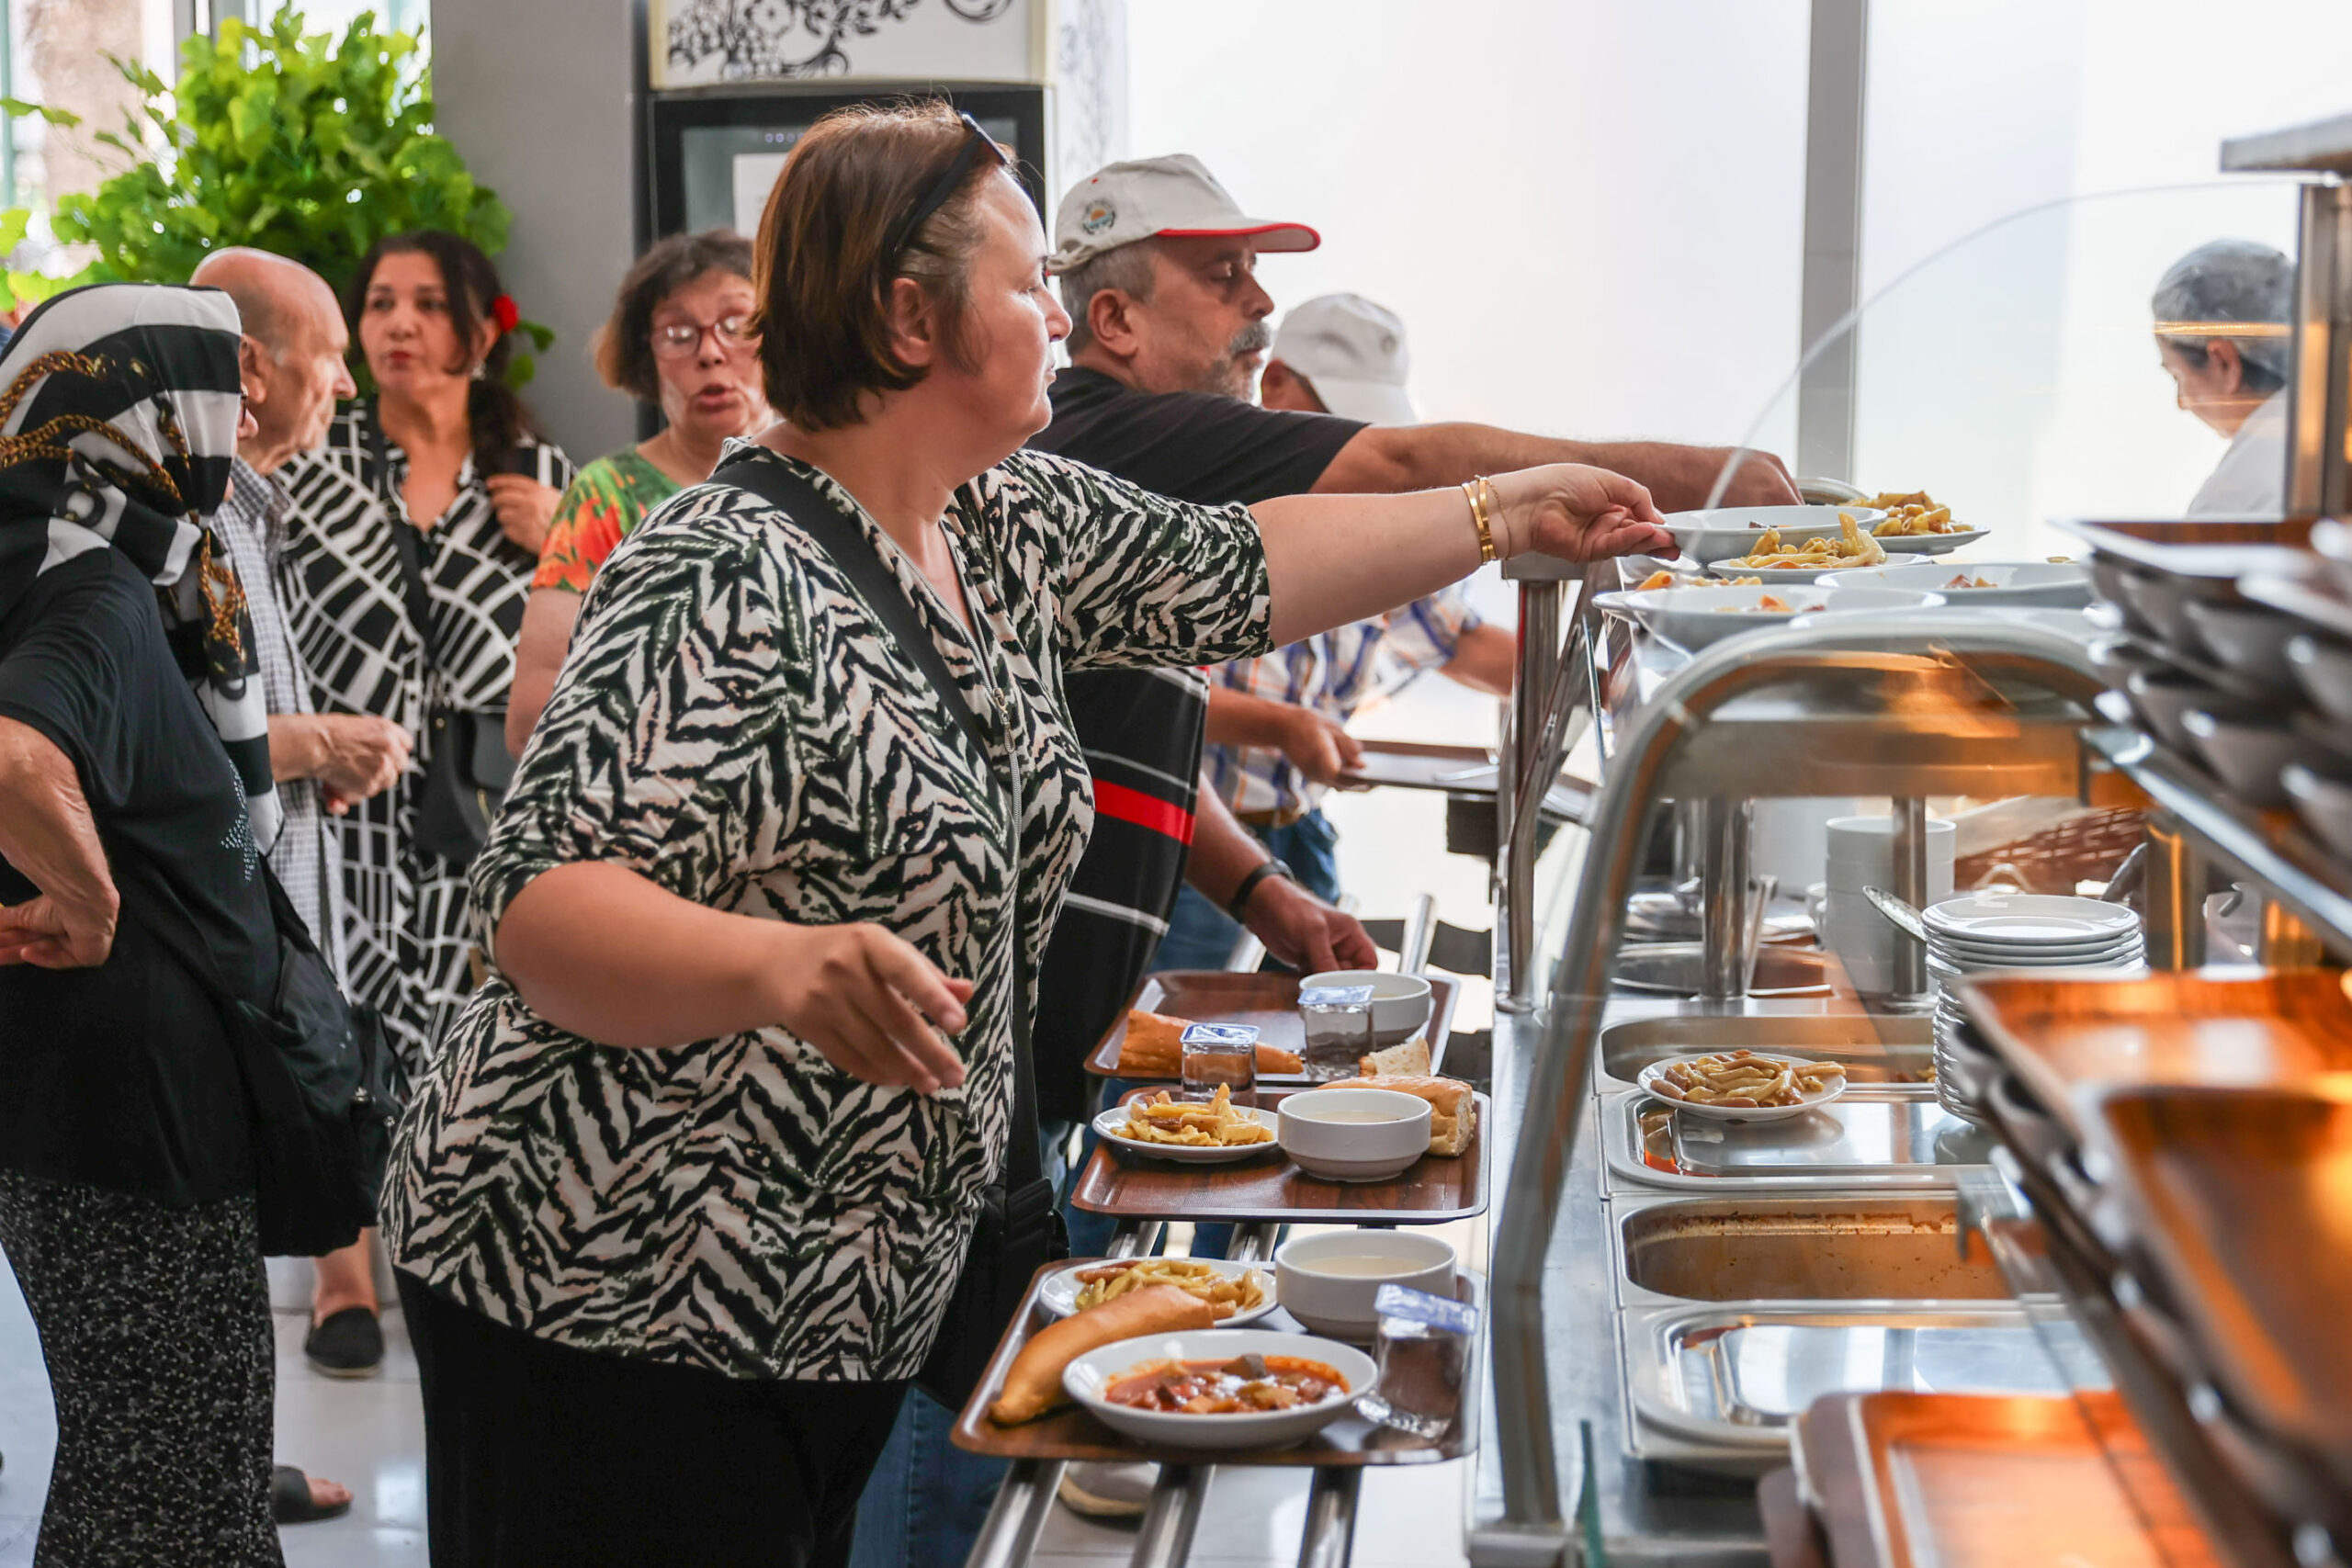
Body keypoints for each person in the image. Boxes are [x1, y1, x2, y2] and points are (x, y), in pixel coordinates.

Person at [379, 98, 1669, 1567]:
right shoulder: (713, 566)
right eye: (1028, 280)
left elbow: (1245, 563)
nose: (1061, 311)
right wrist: (781, 970)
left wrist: (1503, 511)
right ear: (910, 316)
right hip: (617, 1282)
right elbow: (540, 908)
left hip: (830, 1283)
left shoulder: (997, 515)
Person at [1016, 152, 1802, 1525]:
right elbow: (1408, 468)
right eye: (1225, 276)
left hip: (1058, 1021)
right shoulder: (1102, 433)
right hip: (991, 1044)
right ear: (1114, 321)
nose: (1259, 306)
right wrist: (1722, 482)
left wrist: (1262, 890)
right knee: (961, 1412)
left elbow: (1115, 735)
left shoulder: (1123, 471)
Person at [0, 283, 286, 1565]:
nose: (250, 407)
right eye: (226, 379)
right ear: (143, 412)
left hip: (76, 1103)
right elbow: (12, 758)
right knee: (164, 1479)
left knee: (142, 1463)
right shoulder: (93, 584)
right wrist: (88, 893)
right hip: (134, 1124)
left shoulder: (52, 550)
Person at [278, 231, 574, 1375]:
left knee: (463, 1022)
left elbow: (585, 643)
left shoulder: (539, 475)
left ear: (478, 330)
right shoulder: (315, 459)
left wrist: (552, 549)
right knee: (328, 1009)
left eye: (425, 305)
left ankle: (443, 1254)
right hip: (339, 790)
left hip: (481, 797)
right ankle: (341, 1272)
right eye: (380, 305)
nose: (398, 325)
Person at [191, 246, 412, 1522]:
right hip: (220, 964)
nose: (346, 375)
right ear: (251, 369)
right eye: (327, 349)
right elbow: (166, 752)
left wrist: (304, 752)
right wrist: (317, 741)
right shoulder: (197, 527)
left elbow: (231, 737)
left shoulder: (249, 512)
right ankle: (220, 1478)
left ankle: (235, 1461)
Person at [1161, 291, 1521, 967]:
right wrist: (1282, 725)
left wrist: (1605, 671)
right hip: (1194, 846)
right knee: (1173, 1046)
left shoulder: (1367, 514)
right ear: (1275, 384)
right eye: (1338, 417)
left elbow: (1456, 639)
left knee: (1311, 1039)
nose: (1351, 444)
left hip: (1302, 831)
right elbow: (1146, 689)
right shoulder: (1204, 498)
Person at [505, 228, 774, 752]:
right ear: (645, 356)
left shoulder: (834, 476)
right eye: (678, 334)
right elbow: (532, 716)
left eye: (736, 324)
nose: (711, 353)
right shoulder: (607, 496)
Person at [2152, 238, 2294, 518]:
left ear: (2224, 362)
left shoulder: (2229, 506)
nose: (2182, 402)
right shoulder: (2331, 441)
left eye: (2178, 376)